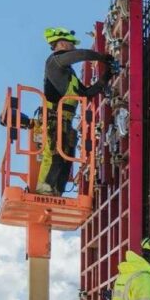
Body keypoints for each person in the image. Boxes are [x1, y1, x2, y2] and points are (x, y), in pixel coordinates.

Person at [38, 27, 117, 195]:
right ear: (62, 43)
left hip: (65, 119)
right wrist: (102, 57)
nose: (73, 47)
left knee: (67, 156)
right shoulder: (54, 61)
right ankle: (44, 188)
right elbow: (81, 55)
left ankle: (56, 191)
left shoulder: (70, 74)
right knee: (55, 153)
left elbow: (87, 93)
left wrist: (107, 75)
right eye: (71, 43)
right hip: (53, 117)